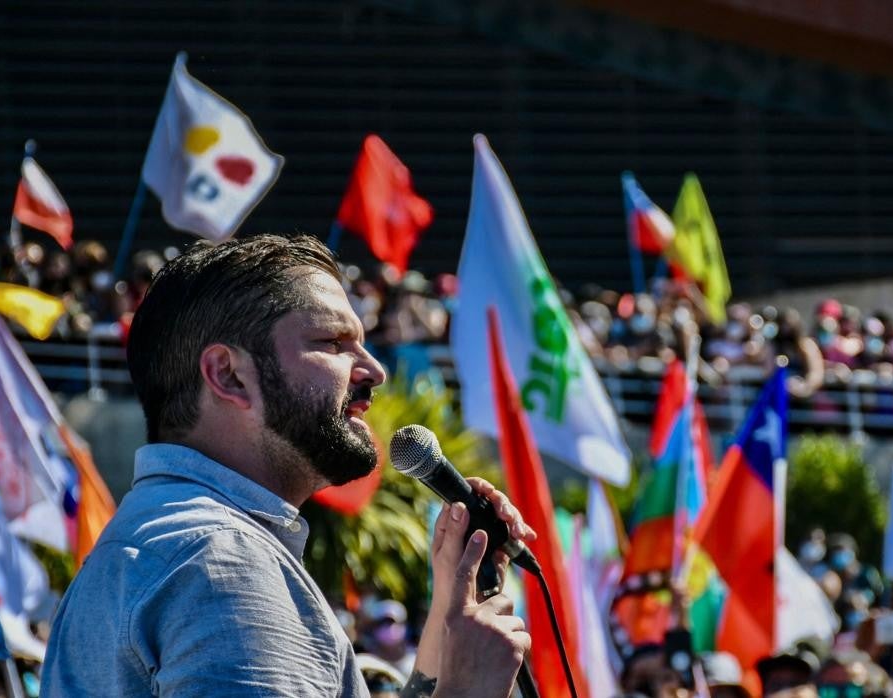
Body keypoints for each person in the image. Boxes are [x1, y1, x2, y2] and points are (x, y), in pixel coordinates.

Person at [41, 235, 535, 697]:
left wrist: (447, 621)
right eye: (333, 342)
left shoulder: (170, 541)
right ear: (228, 375)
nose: (374, 370)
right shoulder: (221, 561)